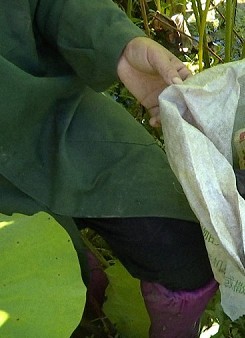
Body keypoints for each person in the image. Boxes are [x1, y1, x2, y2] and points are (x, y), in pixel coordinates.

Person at [0, 1, 216, 337]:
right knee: (54, 297)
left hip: (56, 117)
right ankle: (92, 300)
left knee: (187, 244)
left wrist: (119, 44)